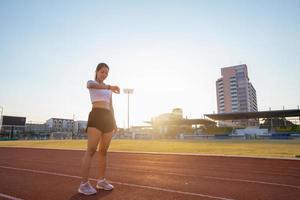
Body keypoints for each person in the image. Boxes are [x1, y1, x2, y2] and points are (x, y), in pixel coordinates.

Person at [78, 63, 120, 195]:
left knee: (103, 151)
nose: (104, 74)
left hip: (108, 118)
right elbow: (90, 86)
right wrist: (110, 87)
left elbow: (111, 106)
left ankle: (101, 181)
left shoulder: (109, 90)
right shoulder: (92, 82)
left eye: (106, 73)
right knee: (91, 150)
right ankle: (84, 184)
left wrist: (114, 122)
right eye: (102, 71)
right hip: (96, 116)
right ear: (96, 71)